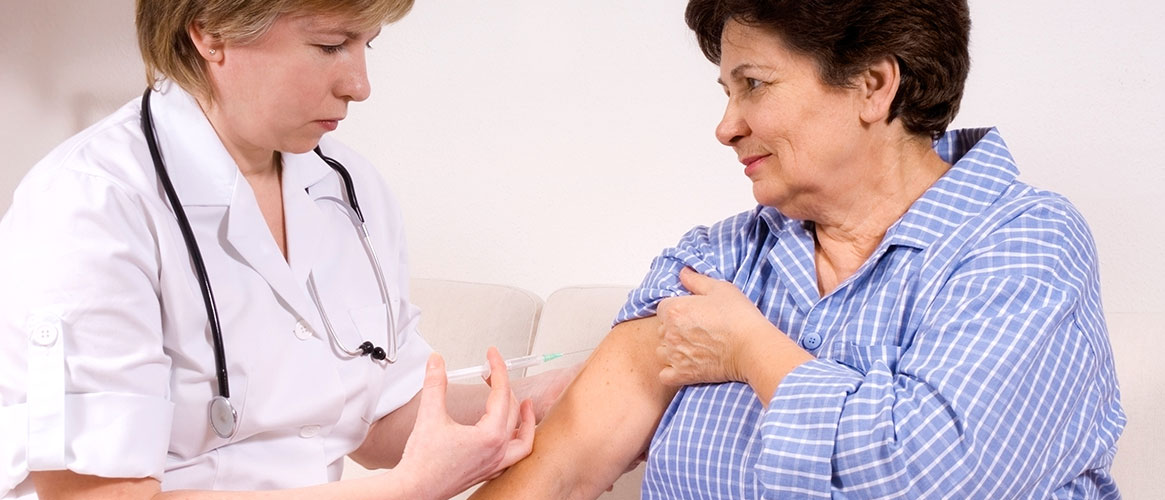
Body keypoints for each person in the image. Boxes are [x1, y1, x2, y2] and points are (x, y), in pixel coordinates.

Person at [471, 0, 1126, 498]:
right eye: (726, 92)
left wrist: (752, 351)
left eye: (753, 84)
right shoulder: (716, 261)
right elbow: (557, 472)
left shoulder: (1022, 244)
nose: (726, 126)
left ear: (873, 85)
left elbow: (930, 478)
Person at [0, 1, 572, 499]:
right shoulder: (92, 204)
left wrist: (551, 394)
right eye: (330, 46)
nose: (360, 84)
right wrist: (410, 490)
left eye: (366, 43)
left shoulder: (348, 186)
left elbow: (380, 416)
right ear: (210, 31)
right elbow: (99, 498)